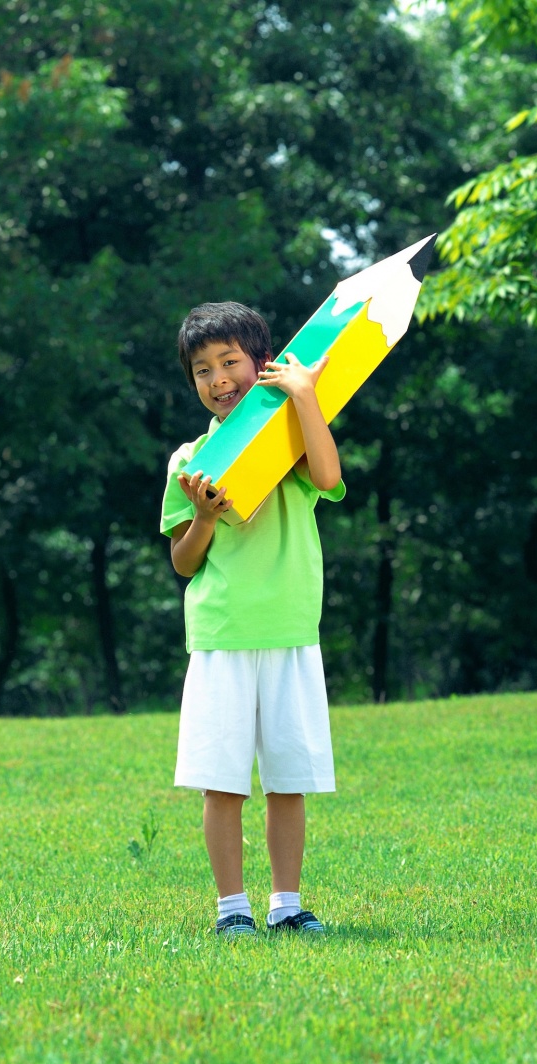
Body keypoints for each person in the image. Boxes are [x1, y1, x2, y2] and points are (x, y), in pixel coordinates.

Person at [160, 300, 345, 938]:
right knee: (223, 783)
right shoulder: (190, 460)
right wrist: (206, 516)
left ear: (260, 363)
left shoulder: (291, 441)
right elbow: (185, 562)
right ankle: (232, 910)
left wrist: (304, 395)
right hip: (222, 637)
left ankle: (287, 905)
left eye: (230, 361)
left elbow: (328, 475)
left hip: (292, 630)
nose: (218, 379)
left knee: (289, 779)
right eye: (203, 370)